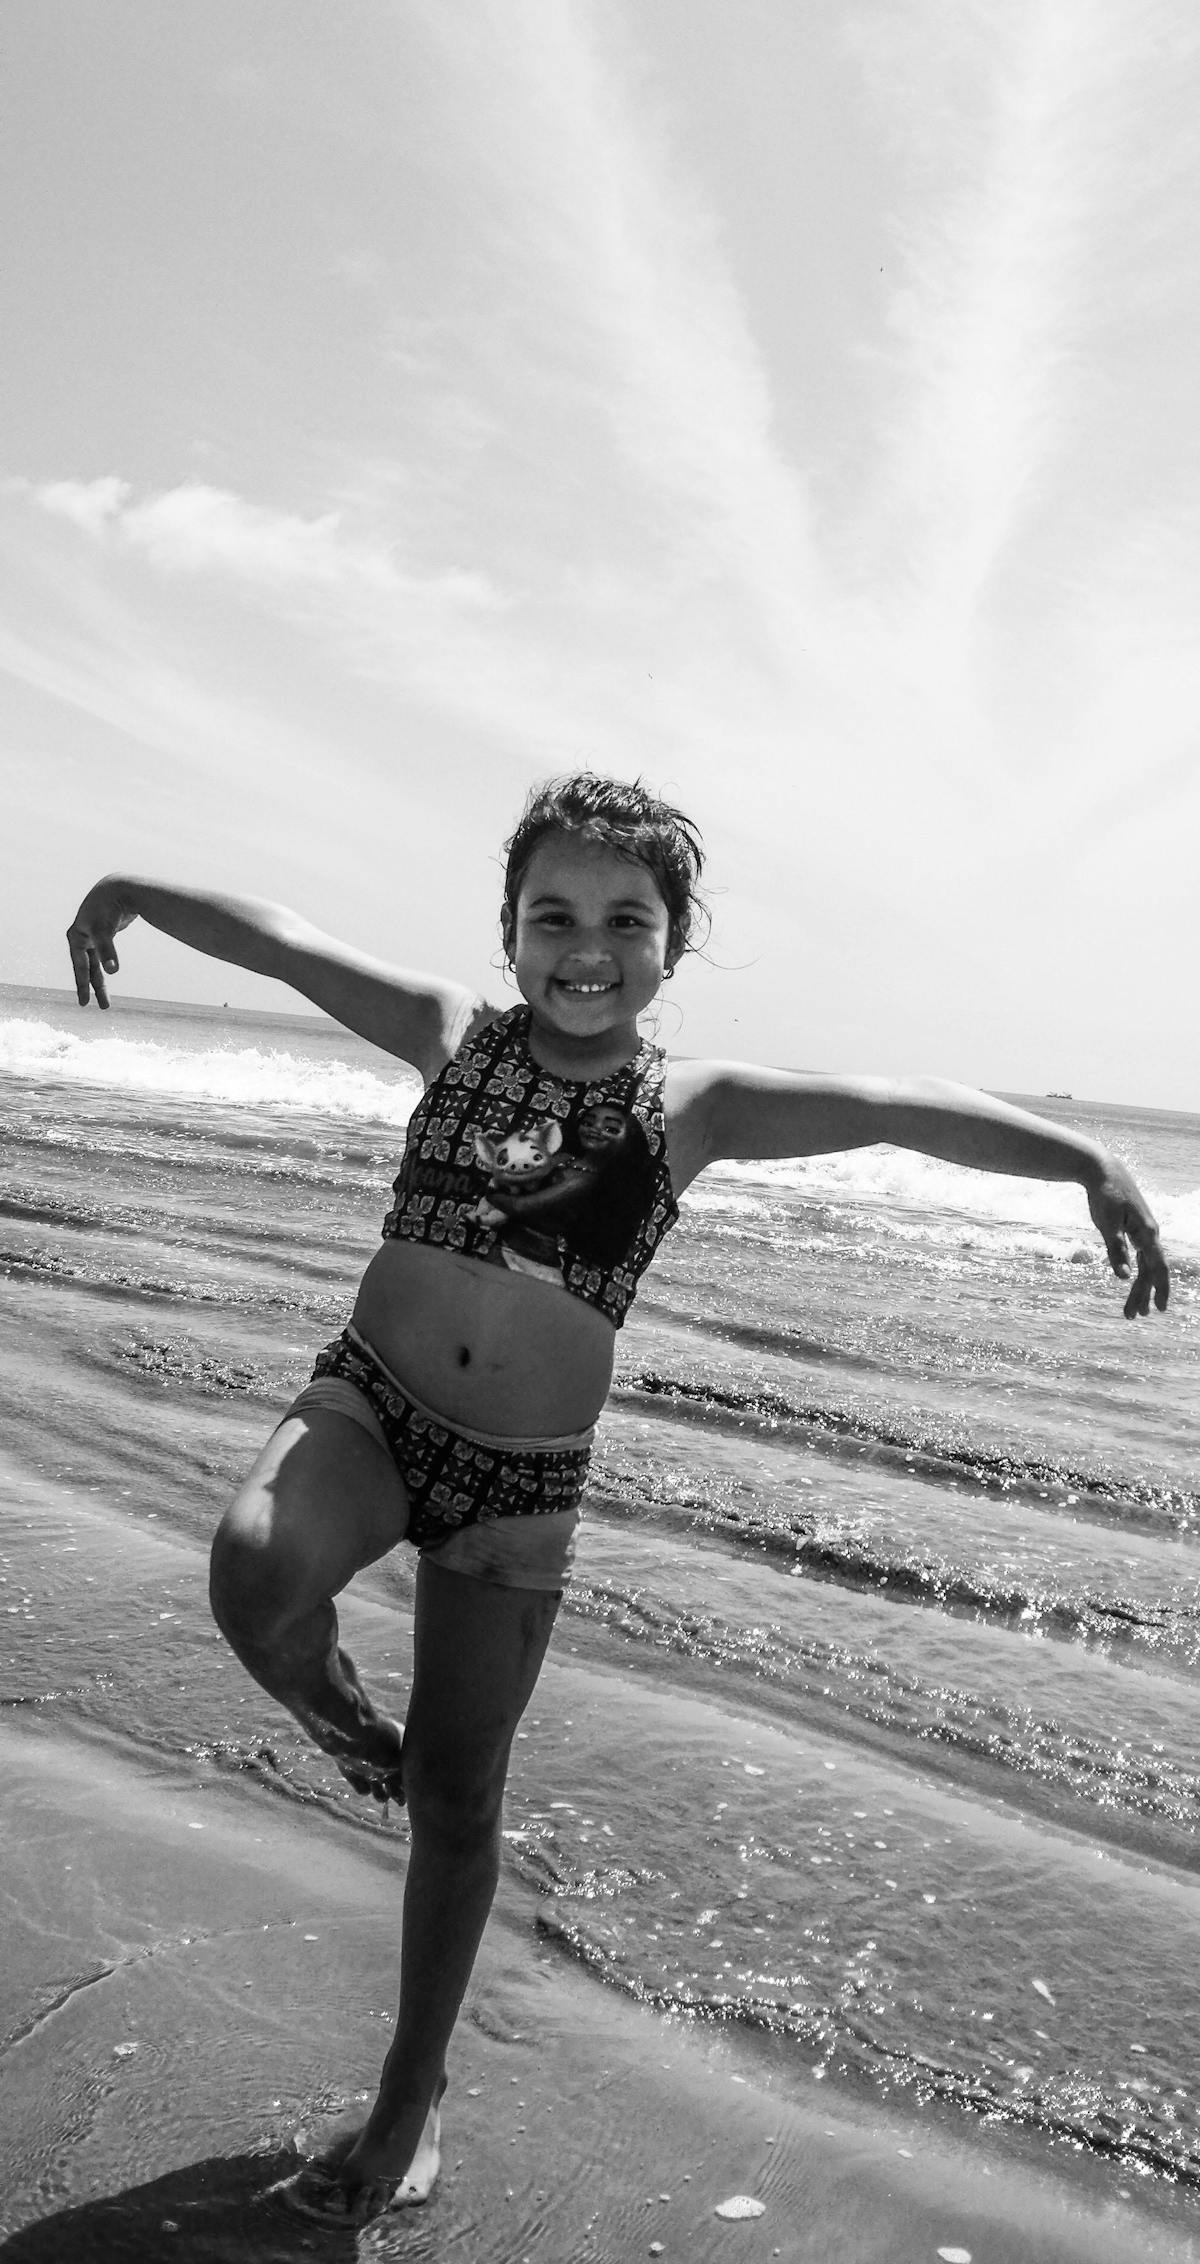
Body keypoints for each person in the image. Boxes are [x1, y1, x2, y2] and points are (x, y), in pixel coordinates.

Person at [66, 773, 1169, 2227]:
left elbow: (900, 1111)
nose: (587, 947)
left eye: (625, 922)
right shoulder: (451, 1037)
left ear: (673, 944)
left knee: (463, 1803)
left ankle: (411, 2093)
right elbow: (281, 940)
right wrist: (134, 888)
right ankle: (348, 1730)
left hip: (517, 1488)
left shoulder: (694, 1109)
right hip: (371, 1410)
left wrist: (1085, 1152)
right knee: (253, 1569)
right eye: (553, 915)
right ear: (509, 932)